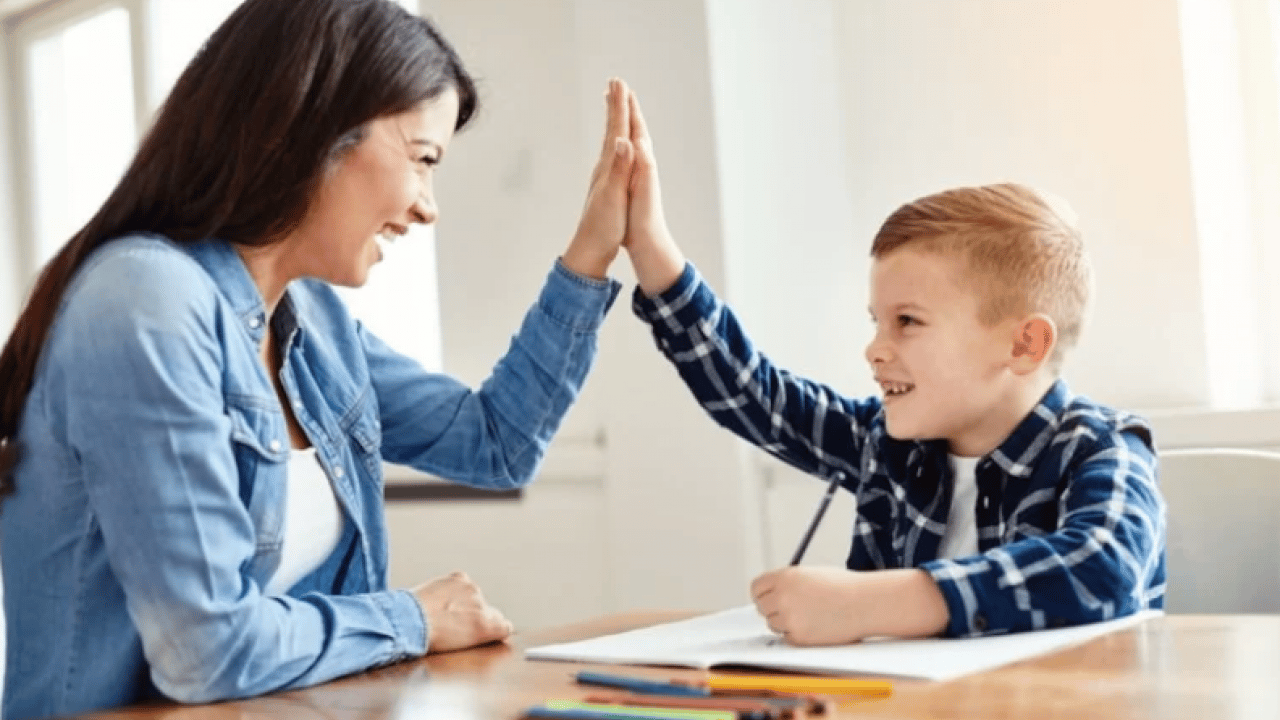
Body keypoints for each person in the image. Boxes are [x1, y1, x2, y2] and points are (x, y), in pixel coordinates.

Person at [0, 1, 639, 717]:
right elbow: (205, 650)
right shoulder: (145, 300)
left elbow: (497, 444)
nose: (429, 207)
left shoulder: (317, 327)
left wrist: (591, 254)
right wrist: (415, 619)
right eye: (423, 160)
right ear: (313, 128)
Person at [617, 91, 1166, 645]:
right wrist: (651, 249)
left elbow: (1103, 567)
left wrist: (871, 604)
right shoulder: (888, 443)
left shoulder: (1101, 448)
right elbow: (756, 396)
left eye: (907, 321)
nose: (874, 349)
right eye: (875, 322)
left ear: (1024, 345)